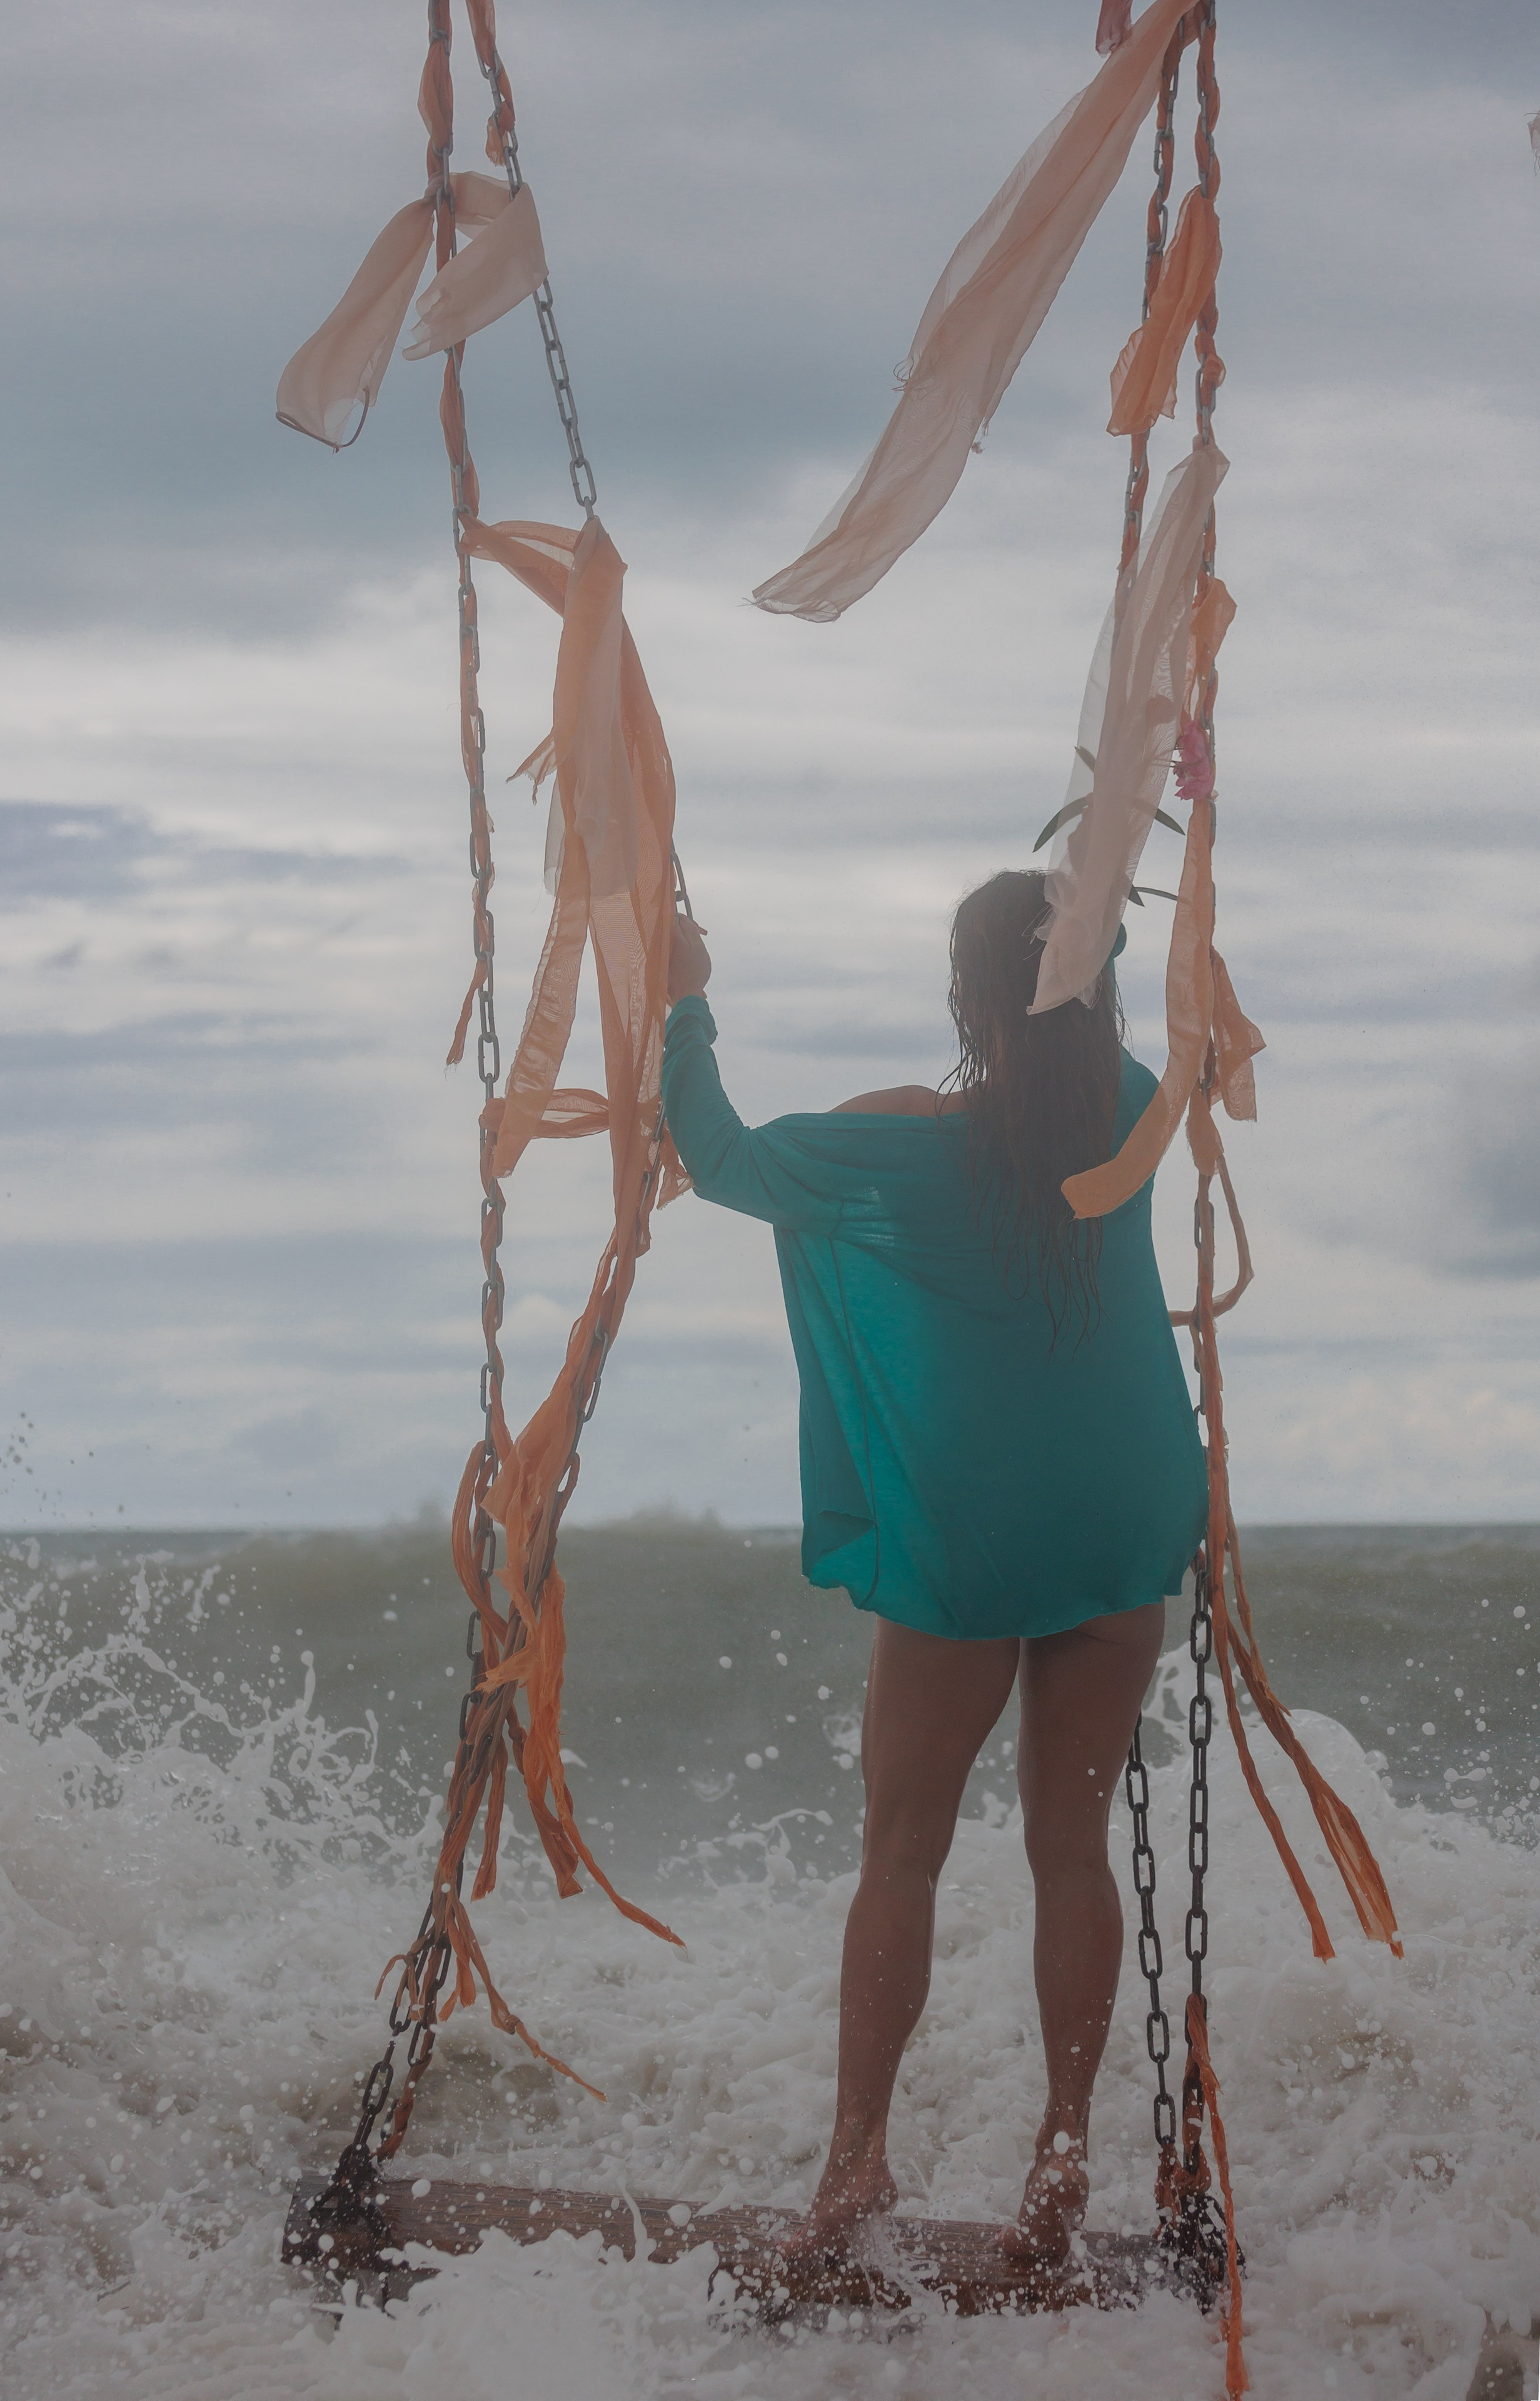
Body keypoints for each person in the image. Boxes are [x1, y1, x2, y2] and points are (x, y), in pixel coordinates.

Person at [658, 868, 1207, 2267]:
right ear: (1095, 987)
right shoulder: (1134, 1112)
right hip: (1121, 1513)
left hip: (972, 1534)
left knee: (899, 1855)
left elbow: (712, 1155)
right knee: (1069, 1851)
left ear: (966, 998)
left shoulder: (896, 1156)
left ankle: (853, 2172)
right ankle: (1062, 2160)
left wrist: (682, 1000)